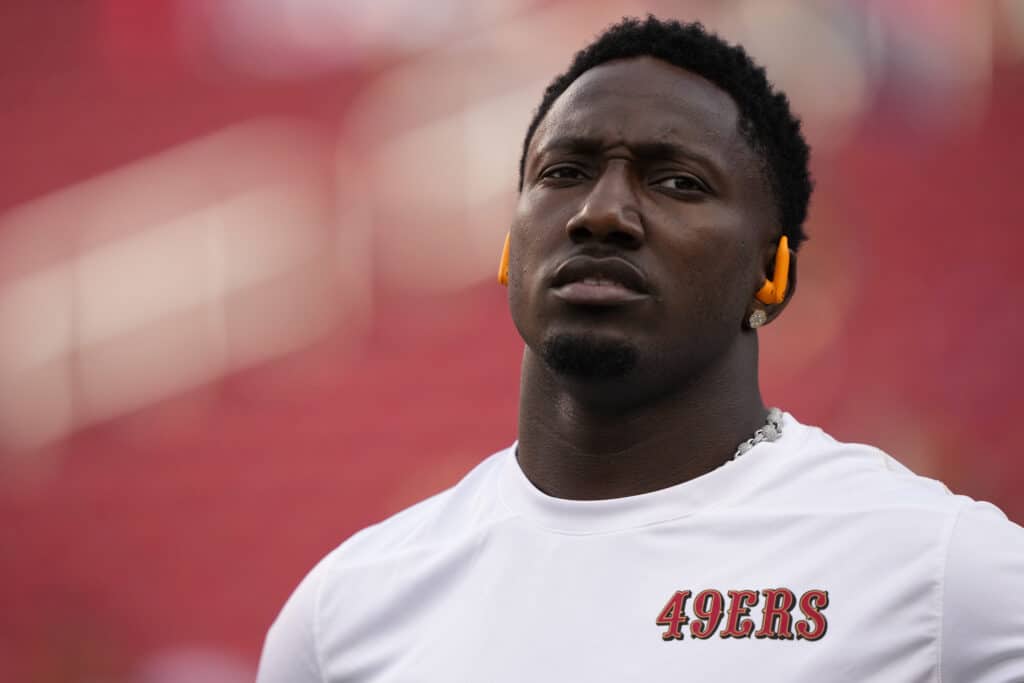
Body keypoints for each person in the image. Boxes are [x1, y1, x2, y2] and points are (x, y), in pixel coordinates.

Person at [257, 16, 1024, 682]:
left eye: (678, 181)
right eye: (564, 171)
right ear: (507, 246)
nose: (603, 212)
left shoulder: (935, 568)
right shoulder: (347, 612)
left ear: (773, 271)